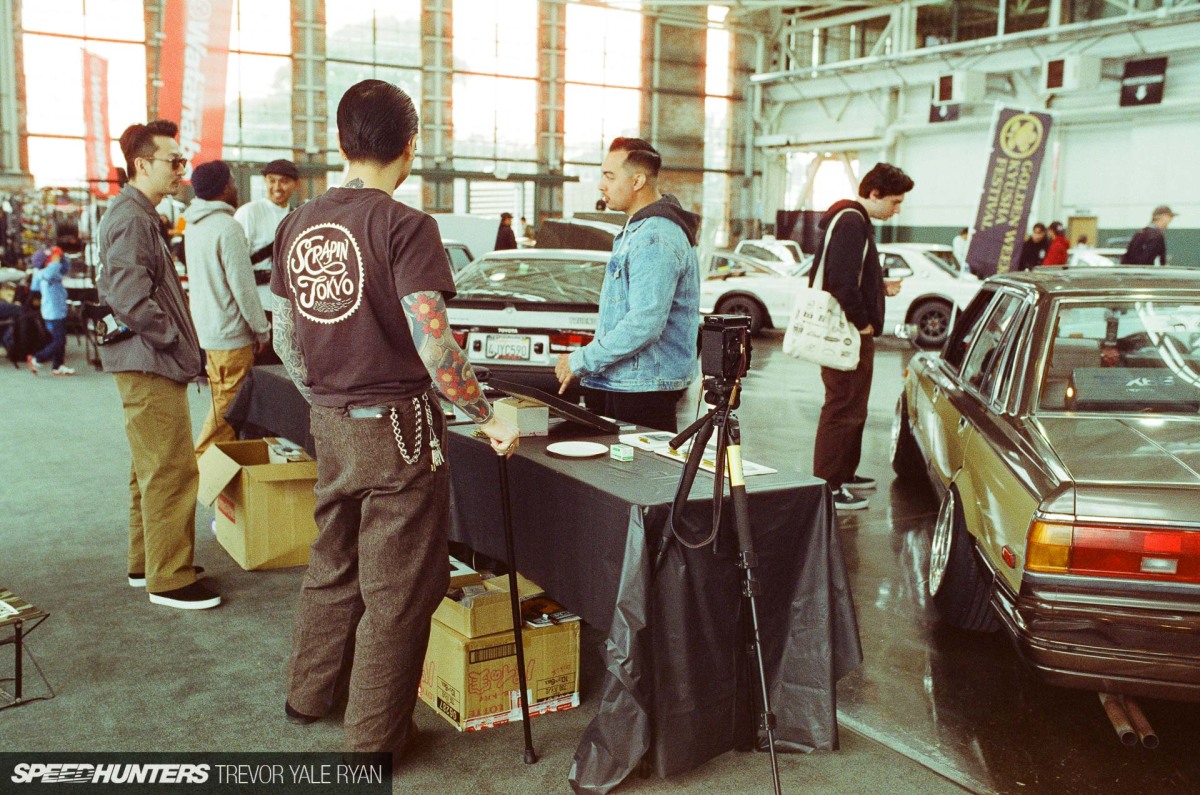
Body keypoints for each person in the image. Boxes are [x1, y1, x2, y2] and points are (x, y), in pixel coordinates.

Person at [271, 79, 518, 759]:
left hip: (330, 423)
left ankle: (309, 694)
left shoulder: (296, 222)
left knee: (333, 560)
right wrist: (485, 412)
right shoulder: (406, 225)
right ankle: (372, 742)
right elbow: (434, 344)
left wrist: (326, 392)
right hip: (398, 429)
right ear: (411, 145)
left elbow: (284, 333)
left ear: (343, 142)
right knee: (400, 587)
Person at [96, 119, 215, 610]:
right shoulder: (132, 216)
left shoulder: (135, 213)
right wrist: (172, 341)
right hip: (150, 361)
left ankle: (147, 561)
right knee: (171, 469)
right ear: (142, 164)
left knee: (149, 467)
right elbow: (126, 294)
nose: (181, 171)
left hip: (145, 360)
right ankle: (170, 578)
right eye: (173, 161)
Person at [554, 137, 700, 432]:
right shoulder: (639, 230)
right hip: (630, 381)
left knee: (639, 476)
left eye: (609, 176)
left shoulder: (654, 237)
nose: (600, 185)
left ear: (637, 181)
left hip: (644, 387)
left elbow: (644, 323)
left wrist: (581, 359)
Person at [811, 162, 913, 511]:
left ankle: (843, 472)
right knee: (842, 407)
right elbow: (840, 280)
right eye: (895, 201)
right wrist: (862, 322)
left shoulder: (853, 220)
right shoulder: (852, 222)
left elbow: (849, 274)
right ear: (874, 194)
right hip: (848, 333)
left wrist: (878, 285)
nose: (897, 209)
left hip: (850, 333)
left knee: (853, 406)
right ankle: (829, 484)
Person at [184, 160, 271, 456]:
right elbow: (243, 288)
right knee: (227, 408)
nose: (235, 187)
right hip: (232, 335)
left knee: (220, 399)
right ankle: (202, 464)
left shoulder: (193, 226)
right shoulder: (228, 228)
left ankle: (222, 476)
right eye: (232, 181)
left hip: (208, 331)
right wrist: (262, 330)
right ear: (223, 188)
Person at [235, 159, 299, 274]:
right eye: (272, 181)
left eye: (284, 181)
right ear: (265, 181)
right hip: (257, 288)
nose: (277, 187)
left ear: (296, 184)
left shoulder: (297, 217)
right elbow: (235, 261)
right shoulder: (249, 213)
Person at [26, 247, 73, 375]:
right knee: (59, 341)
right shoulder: (44, 273)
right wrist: (56, 258)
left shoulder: (51, 271)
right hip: (53, 313)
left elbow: (65, 267)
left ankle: (57, 366)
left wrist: (61, 256)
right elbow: (51, 271)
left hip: (59, 310)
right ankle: (37, 358)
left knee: (60, 340)